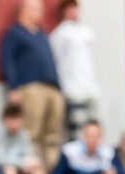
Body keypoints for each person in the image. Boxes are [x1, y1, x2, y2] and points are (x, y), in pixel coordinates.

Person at [0, 0, 64, 169]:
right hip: (30, 87)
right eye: (36, 9)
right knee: (32, 133)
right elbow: (8, 61)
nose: (40, 13)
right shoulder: (14, 33)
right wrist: (13, 87)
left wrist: (59, 88)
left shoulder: (43, 35)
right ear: (24, 10)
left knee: (53, 135)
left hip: (52, 88)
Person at [49, 0, 101, 139]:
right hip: (72, 89)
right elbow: (56, 60)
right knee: (76, 131)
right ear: (64, 12)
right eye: (70, 9)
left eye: (75, 8)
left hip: (89, 88)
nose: (74, 12)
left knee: (93, 129)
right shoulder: (60, 34)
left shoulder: (87, 31)